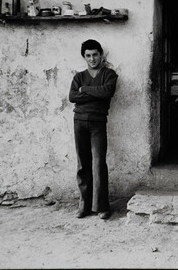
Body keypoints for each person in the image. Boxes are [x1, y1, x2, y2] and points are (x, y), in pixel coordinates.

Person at [69, 39, 118, 220]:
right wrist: (92, 92)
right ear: (84, 57)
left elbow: (106, 93)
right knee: (83, 164)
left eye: (95, 55)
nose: (92, 59)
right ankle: (84, 206)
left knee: (98, 164)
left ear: (101, 55)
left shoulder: (109, 74)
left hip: (98, 123)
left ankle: (102, 207)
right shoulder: (78, 77)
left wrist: (85, 90)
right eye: (88, 55)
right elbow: (73, 96)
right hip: (79, 122)